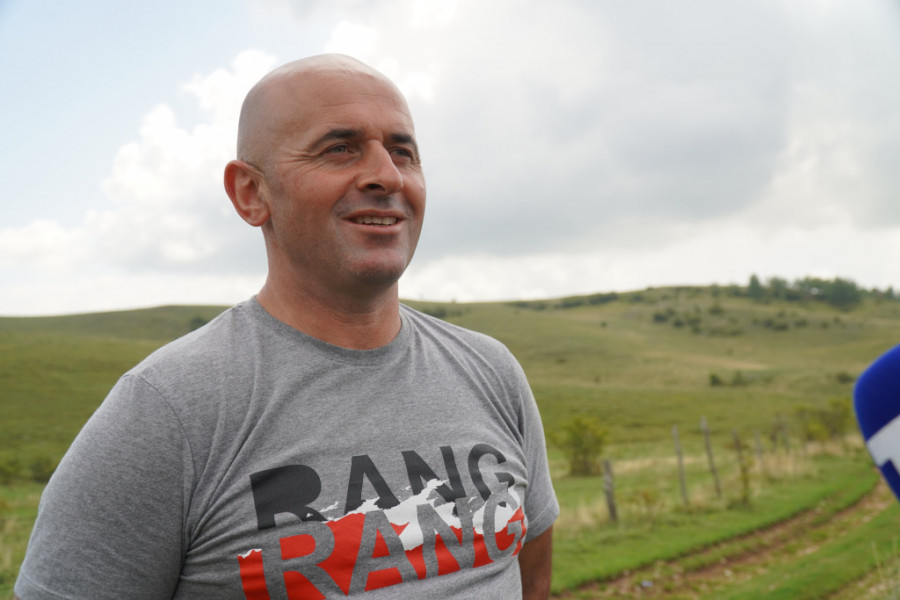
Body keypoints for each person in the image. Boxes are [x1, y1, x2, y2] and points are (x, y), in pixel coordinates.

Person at [15, 54, 558, 599]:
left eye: (403, 152)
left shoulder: (491, 372)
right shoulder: (165, 412)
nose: (388, 176)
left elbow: (530, 577)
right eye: (339, 148)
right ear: (251, 193)